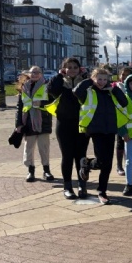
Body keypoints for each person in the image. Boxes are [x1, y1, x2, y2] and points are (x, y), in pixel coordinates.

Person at [74, 68, 128, 205]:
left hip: (110, 129)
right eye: (99, 79)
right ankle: (87, 164)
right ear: (93, 78)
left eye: (105, 79)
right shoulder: (89, 91)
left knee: (108, 163)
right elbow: (76, 92)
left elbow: (124, 102)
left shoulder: (111, 91)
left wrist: (114, 89)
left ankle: (102, 191)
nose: (102, 82)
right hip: (95, 129)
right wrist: (89, 81)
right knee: (102, 160)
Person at [46, 57, 89, 199]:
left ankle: (82, 185)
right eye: (69, 67)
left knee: (81, 156)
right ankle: (68, 187)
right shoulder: (60, 81)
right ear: (64, 69)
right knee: (67, 156)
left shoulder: (85, 82)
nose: (72, 70)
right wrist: (59, 75)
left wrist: (85, 77)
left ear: (80, 68)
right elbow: (51, 90)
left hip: (81, 124)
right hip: (64, 124)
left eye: (75, 67)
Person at [15, 66, 54, 183]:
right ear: (29, 74)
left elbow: (52, 102)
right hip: (28, 122)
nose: (35, 74)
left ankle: (46, 170)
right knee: (29, 148)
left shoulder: (47, 87)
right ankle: (30, 171)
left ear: (41, 74)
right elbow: (20, 107)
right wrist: (18, 124)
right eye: (32, 72)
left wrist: (41, 103)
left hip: (43, 121)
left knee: (44, 148)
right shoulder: (24, 87)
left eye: (37, 72)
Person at [113, 67, 132, 176]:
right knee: (120, 141)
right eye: (123, 74)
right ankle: (119, 165)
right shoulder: (115, 86)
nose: (124, 77)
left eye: (127, 75)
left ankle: (131, 164)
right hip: (120, 117)